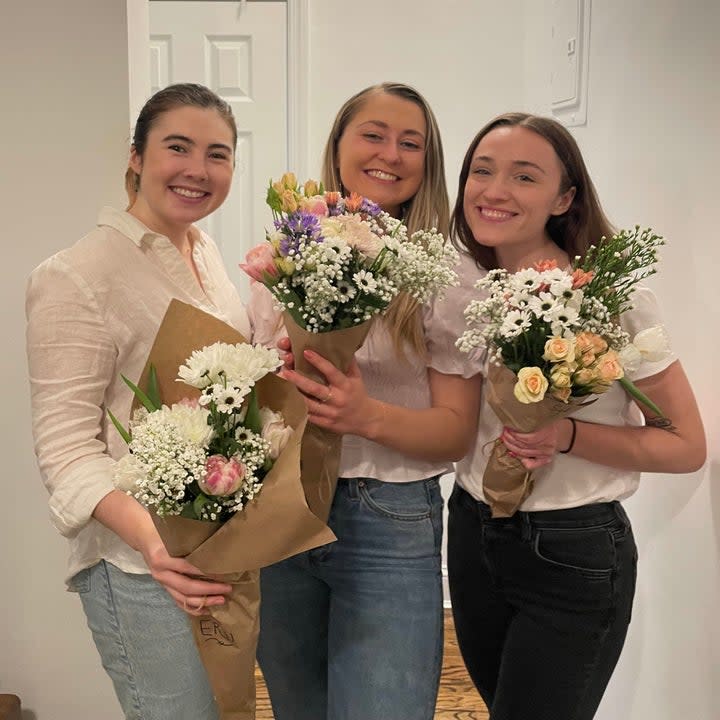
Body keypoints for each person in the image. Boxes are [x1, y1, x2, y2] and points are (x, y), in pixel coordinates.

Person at [447, 112, 706, 720]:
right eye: (481, 171)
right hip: (472, 531)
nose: (494, 190)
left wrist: (566, 435)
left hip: (572, 548)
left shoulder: (612, 300)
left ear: (564, 198)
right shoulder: (463, 291)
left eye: (524, 176)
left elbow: (686, 445)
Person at [248, 82, 484, 720]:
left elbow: (456, 434)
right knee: (298, 706)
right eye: (374, 135)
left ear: (428, 163)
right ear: (339, 144)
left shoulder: (447, 273)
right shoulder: (286, 253)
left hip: (388, 516)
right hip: (283, 508)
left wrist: (365, 416)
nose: (392, 154)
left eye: (412, 143)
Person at [25, 83, 248, 720]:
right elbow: (67, 453)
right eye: (178, 147)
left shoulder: (204, 252)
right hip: (139, 569)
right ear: (136, 157)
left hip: (219, 549)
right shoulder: (76, 274)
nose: (198, 170)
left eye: (218, 154)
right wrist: (156, 545)